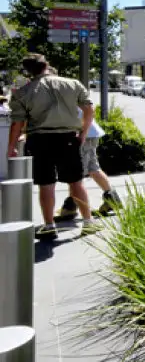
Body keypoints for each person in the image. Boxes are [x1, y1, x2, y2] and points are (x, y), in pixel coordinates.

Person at [7, 54, 99, 239]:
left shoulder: (22, 92)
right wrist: (83, 132)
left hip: (40, 139)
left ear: (28, 72)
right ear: (47, 65)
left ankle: (49, 226)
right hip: (68, 138)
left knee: (46, 184)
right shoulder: (72, 84)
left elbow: (17, 123)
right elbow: (89, 108)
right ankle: (88, 222)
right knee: (76, 181)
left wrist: (11, 147)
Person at [54, 107, 123, 222]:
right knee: (92, 168)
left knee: (76, 171)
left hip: (83, 134)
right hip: (88, 133)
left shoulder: (65, 91)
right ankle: (112, 199)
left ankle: (72, 205)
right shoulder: (72, 91)